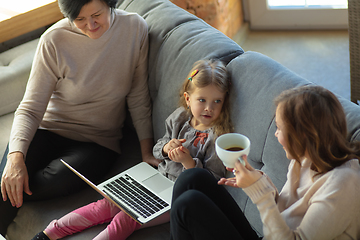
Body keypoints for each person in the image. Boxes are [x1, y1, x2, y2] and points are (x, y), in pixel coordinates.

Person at [0, 0, 160, 235]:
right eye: (80, 20)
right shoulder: (54, 40)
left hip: (97, 141)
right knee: (8, 181)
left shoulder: (135, 29)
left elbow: (138, 97)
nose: (91, 25)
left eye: (97, 15)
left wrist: (146, 151)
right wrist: (15, 159)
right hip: (48, 128)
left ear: (111, 5)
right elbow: (31, 108)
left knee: (52, 180)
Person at [31, 59, 232, 240]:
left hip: (175, 198)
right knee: (105, 204)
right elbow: (157, 149)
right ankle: (50, 232)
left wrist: (190, 164)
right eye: (202, 100)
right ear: (188, 99)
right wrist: (165, 149)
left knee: (127, 219)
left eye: (217, 101)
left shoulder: (217, 138)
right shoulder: (179, 118)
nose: (209, 108)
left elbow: (212, 182)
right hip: (156, 179)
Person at [170, 85, 360, 240]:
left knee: (189, 204)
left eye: (279, 128)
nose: (276, 134)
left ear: (303, 136)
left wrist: (259, 193)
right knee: (193, 177)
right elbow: (284, 213)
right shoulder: (304, 159)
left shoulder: (343, 184)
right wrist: (261, 182)